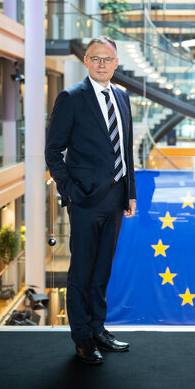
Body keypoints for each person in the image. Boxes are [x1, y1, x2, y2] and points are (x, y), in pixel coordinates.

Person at [45, 36, 136, 365]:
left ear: (116, 63)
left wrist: (130, 194)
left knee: (102, 270)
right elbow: (53, 152)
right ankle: (82, 337)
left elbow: (126, 149)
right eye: (95, 58)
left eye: (107, 59)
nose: (101, 64)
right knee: (81, 271)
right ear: (86, 61)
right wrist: (69, 190)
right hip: (84, 201)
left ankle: (98, 328)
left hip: (115, 199)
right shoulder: (71, 98)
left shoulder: (123, 96)